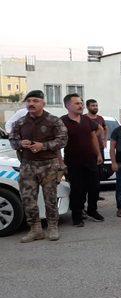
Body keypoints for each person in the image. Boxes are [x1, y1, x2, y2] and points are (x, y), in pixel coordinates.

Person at [9, 90, 68, 242]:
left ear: (43, 103)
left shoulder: (53, 121)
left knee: (50, 197)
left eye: (35, 101)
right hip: (28, 165)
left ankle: (52, 226)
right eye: (28, 101)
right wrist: (20, 143)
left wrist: (43, 146)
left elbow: (62, 140)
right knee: (28, 198)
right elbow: (13, 141)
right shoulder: (20, 122)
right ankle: (35, 229)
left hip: (49, 164)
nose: (31, 104)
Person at [61, 93, 104, 227]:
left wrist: (98, 154)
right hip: (73, 162)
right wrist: (60, 162)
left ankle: (92, 210)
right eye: (77, 103)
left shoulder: (86, 120)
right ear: (68, 106)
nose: (80, 105)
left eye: (81, 103)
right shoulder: (61, 121)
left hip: (90, 160)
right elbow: (56, 143)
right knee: (77, 190)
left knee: (94, 188)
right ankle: (77, 215)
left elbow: (93, 136)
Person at [85, 99, 107, 201]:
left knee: (98, 173)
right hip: (88, 150)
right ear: (88, 107)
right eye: (93, 106)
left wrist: (104, 140)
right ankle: (87, 195)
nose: (95, 107)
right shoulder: (84, 118)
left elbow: (105, 128)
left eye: (96, 105)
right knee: (89, 174)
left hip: (100, 149)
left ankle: (96, 194)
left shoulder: (100, 118)